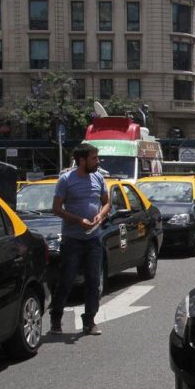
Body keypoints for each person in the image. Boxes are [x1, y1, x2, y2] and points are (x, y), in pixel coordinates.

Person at [49, 143, 111, 336]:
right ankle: (56, 318)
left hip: (93, 239)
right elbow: (57, 209)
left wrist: (100, 216)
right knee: (67, 280)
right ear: (82, 160)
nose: (97, 161)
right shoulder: (66, 180)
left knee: (93, 281)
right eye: (94, 158)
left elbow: (107, 202)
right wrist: (79, 220)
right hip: (72, 239)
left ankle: (89, 321)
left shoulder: (98, 178)